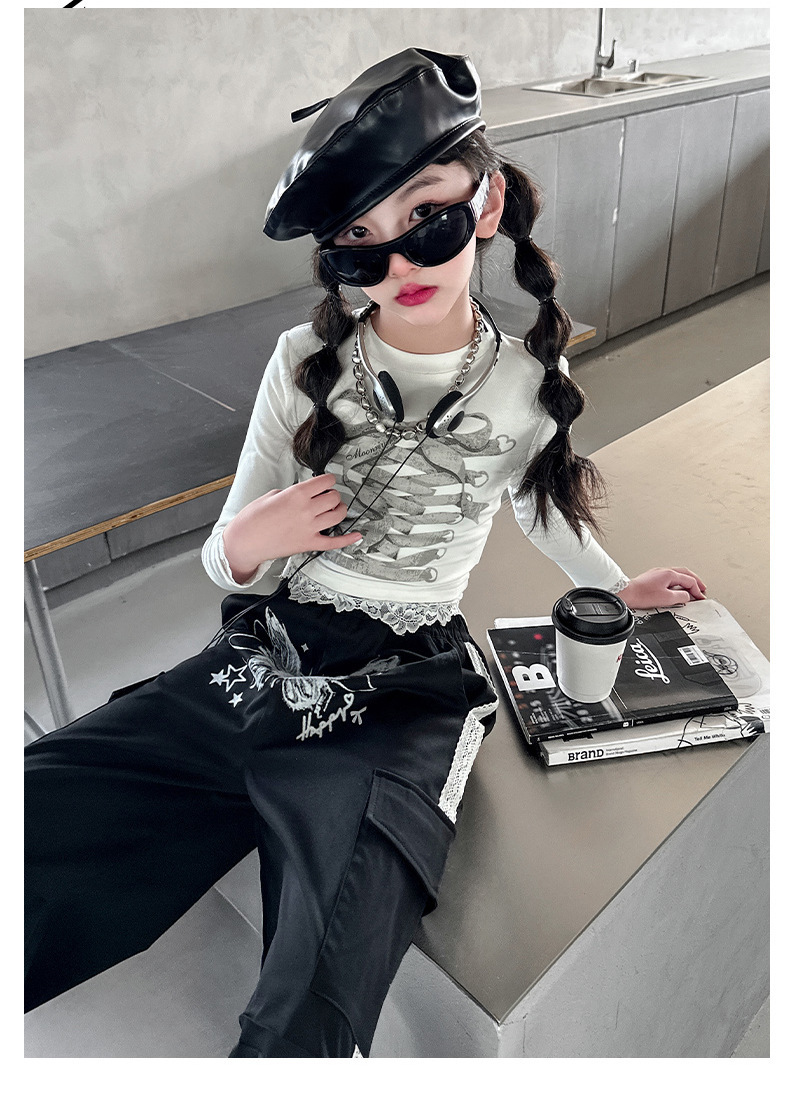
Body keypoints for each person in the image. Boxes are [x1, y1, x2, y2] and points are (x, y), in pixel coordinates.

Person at [25, 48, 707, 1058]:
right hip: (271, 648)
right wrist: (253, 539)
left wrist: (614, 587)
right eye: (360, 244)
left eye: (426, 218)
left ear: (487, 204)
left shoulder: (529, 377)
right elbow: (226, 554)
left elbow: (539, 505)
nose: (401, 267)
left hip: (408, 685)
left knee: (322, 969)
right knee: (45, 799)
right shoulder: (303, 362)